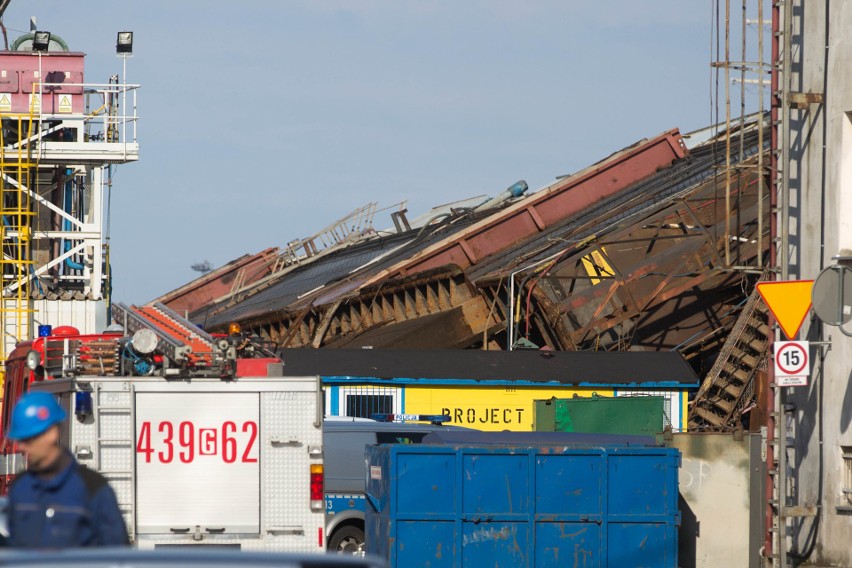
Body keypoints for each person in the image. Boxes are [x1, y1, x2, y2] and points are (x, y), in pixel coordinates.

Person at [5, 392, 130, 548]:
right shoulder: (20, 488)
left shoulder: (93, 488)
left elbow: (119, 555)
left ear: (51, 433)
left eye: (27, 439)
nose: (22, 446)